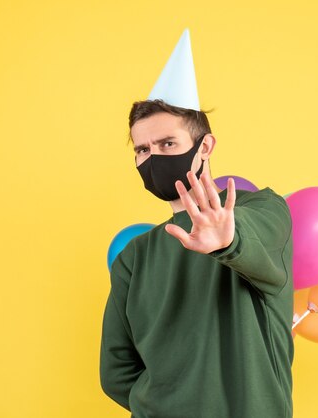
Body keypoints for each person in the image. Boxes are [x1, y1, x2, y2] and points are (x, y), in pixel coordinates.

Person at [99, 99, 294, 418]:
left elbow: (258, 238)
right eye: (143, 150)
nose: (153, 157)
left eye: (167, 143)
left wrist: (228, 241)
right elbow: (115, 370)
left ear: (205, 146)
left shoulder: (263, 209)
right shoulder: (133, 257)